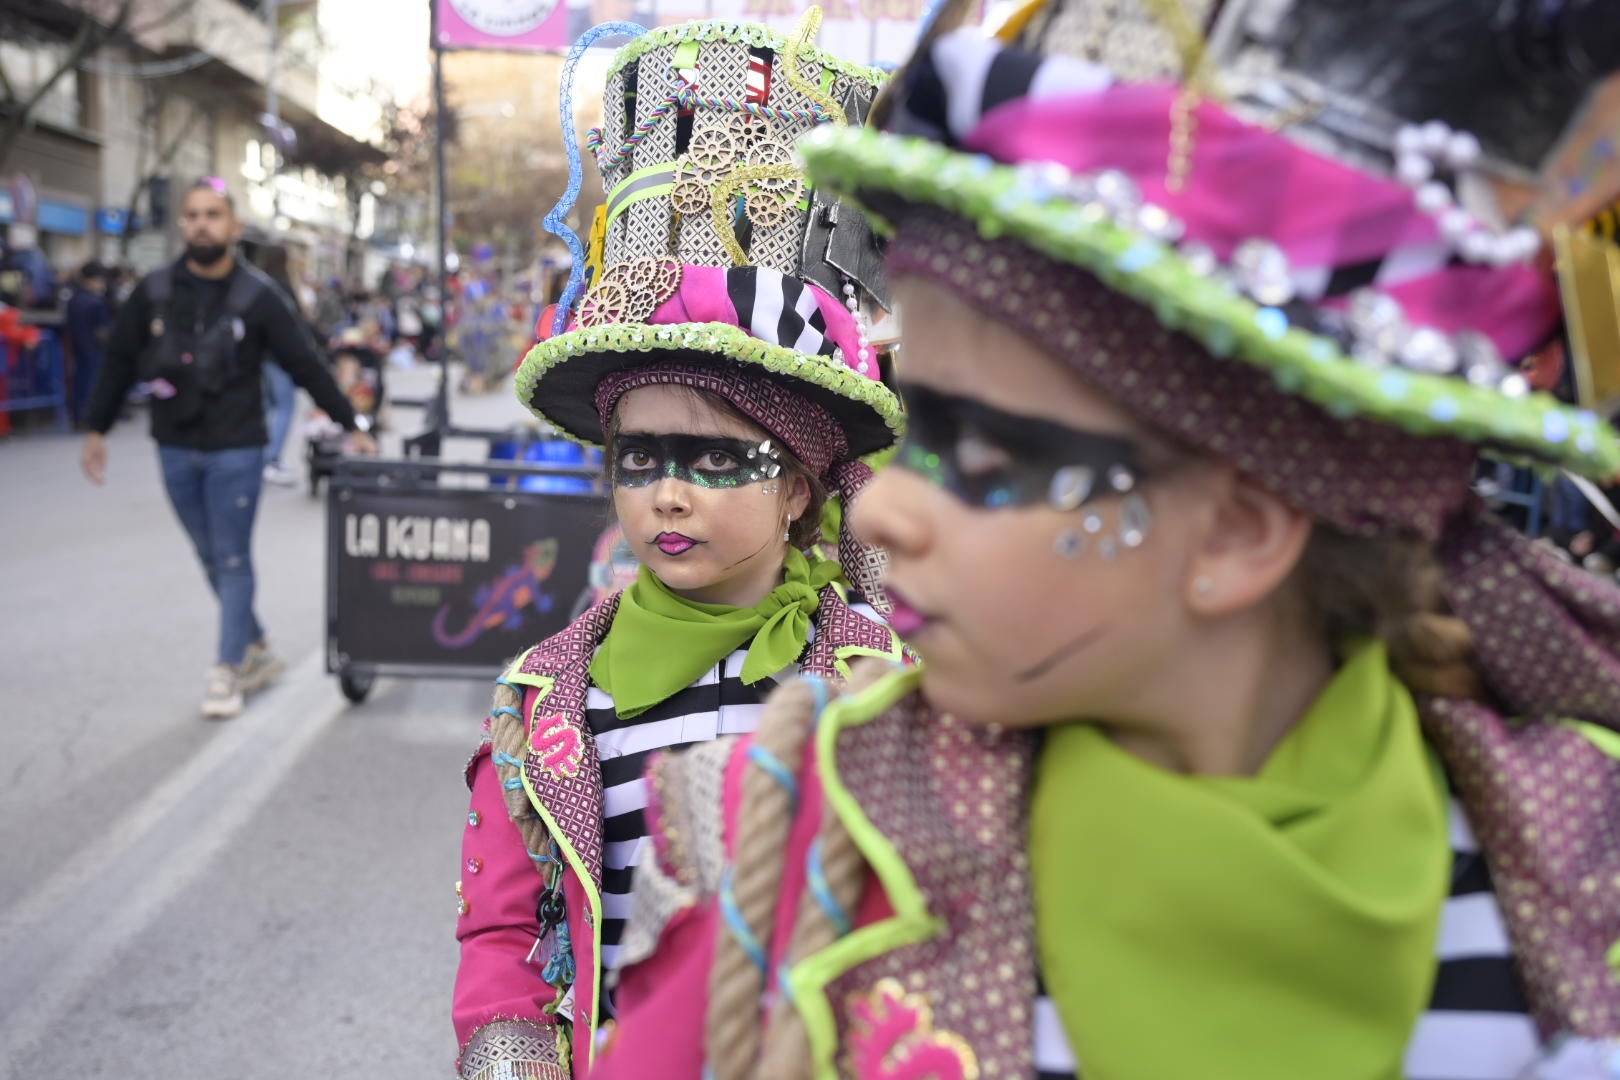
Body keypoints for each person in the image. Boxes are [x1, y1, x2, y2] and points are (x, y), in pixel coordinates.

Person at [589, 1, 1620, 1078]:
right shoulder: (808, 833)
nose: (884, 511)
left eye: (980, 453)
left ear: (1234, 533)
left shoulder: (1573, 859)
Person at [449, 13, 902, 1079]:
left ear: (799, 488)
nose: (666, 495)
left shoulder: (875, 670)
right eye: (638, 460)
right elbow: (504, 937)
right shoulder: (545, 704)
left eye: (713, 462)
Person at [81, 178, 377, 719]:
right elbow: (120, 361)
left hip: (238, 447)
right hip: (173, 444)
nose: (201, 224)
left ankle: (227, 669)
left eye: (212, 214)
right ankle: (259, 648)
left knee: (232, 556)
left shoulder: (259, 296)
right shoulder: (155, 289)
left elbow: (304, 362)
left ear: (233, 227)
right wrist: (96, 429)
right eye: (192, 214)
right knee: (208, 553)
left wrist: (348, 421)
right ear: (182, 224)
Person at [64, 261, 112, 428]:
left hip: (78, 348)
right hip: (95, 349)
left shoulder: (73, 299)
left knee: (80, 383)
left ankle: (78, 418)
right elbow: (103, 330)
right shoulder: (96, 302)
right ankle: (89, 419)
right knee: (92, 384)